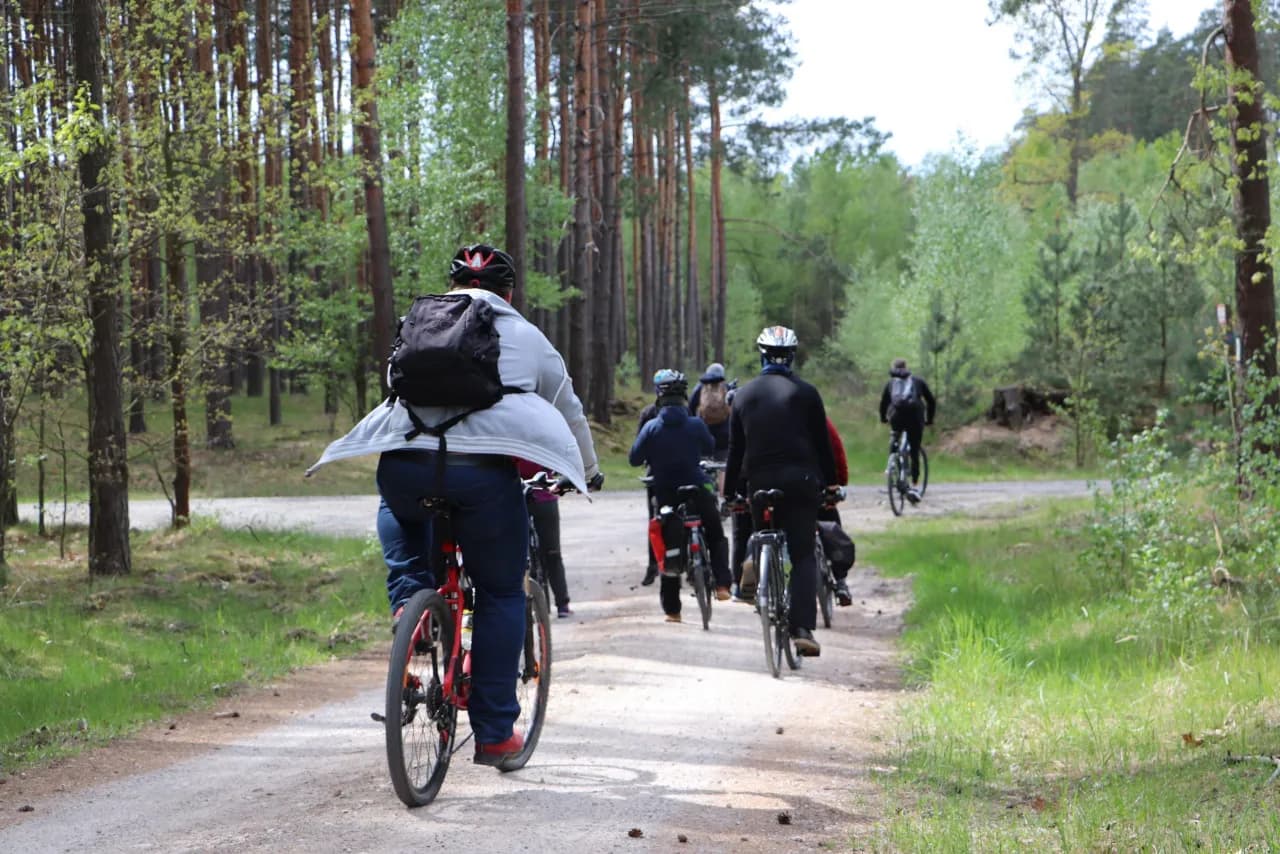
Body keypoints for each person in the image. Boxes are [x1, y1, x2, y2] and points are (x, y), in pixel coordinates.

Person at [306, 243, 602, 767]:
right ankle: (492, 733)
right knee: (502, 593)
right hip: (482, 479)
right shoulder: (530, 337)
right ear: (509, 293)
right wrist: (590, 469)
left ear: (452, 284)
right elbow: (569, 409)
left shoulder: (419, 323)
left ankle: (410, 603)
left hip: (406, 465)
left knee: (396, 507)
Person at [723, 326, 838, 656]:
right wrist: (830, 484)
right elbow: (823, 445)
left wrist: (730, 493)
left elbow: (735, 451)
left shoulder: (743, 395)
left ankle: (753, 556)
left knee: (763, 530)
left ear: (761, 354)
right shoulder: (807, 393)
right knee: (802, 554)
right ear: (792, 356)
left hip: (760, 481)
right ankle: (802, 629)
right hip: (801, 482)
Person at [629, 369, 732, 622]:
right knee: (716, 533)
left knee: (669, 546)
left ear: (659, 397)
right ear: (685, 396)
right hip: (697, 488)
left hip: (666, 495)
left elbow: (634, 459)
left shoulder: (652, 427)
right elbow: (709, 447)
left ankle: (673, 611)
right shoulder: (696, 424)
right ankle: (721, 585)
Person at [516, 458, 574, 618]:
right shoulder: (543, 434)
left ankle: (531, 604)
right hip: (545, 498)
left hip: (517, 498)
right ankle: (563, 604)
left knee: (520, 554)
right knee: (553, 553)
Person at [878, 358, 936, 503]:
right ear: (906, 367)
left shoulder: (891, 383)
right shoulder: (918, 381)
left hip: (896, 417)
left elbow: (884, 402)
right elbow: (931, 401)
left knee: (895, 438)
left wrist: (883, 418)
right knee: (914, 450)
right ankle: (915, 484)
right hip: (915, 418)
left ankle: (892, 468)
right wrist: (929, 419)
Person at [821, 417, 855, 606]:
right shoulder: (818, 418)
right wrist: (840, 483)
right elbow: (837, 449)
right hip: (819, 484)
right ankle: (840, 580)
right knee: (830, 523)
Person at [688, 362, 731, 462]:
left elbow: (690, 408)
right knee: (723, 466)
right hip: (724, 435)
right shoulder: (726, 387)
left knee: (704, 463)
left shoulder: (700, 388)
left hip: (704, 431)